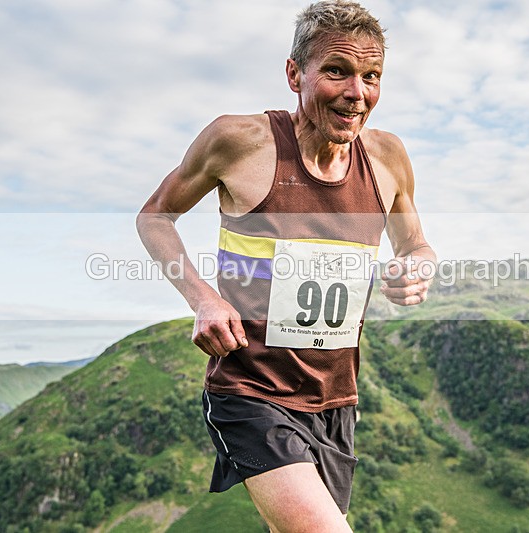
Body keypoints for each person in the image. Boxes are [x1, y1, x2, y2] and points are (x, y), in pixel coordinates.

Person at [136, 1, 434, 531]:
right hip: (250, 390)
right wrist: (204, 299)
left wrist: (416, 269)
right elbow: (155, 217)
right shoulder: (239, 141)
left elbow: (416, 246)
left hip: (335, 399)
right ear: (295, 74)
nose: (357, 93)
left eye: (371, 76)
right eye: (337, 71)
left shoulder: (387, 157)